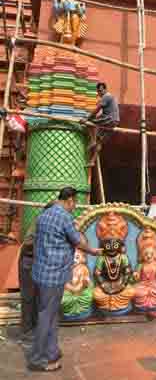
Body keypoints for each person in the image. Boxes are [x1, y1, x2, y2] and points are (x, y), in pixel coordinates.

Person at [28, 187, 102, 372]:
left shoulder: (44, 215)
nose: (74, 206)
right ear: (69, 200)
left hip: (41, 273)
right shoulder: (64, 217)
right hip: (54, 275)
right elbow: (77, 241)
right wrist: (94, 251)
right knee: (46, 316)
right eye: (74, 203)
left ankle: (51, 351)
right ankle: (37, 359)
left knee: (51, 314)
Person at [81, 82, 119, 160]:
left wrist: (86, 119)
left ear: (105, 90)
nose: (99, 93)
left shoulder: (106, 96)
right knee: (100, 140)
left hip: (109, 118)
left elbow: (97, 109)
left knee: (90, 123)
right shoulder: (109, 97)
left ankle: (92, 141)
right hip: (114, 121)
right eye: (98, 91)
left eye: (101, 91)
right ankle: (92, 161)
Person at [17, 230, 37, 347]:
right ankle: (27, 333)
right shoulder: (38, 223)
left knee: (36, 299)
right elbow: (28, 243)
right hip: (28, 263)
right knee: (28, 298)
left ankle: (33, 330)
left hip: (34, 263)